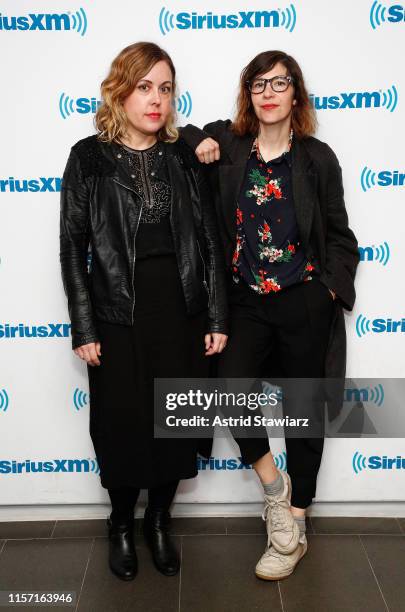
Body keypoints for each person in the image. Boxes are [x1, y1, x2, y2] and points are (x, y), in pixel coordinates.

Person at [180, 50, 359, 580]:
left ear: (296, 93)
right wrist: (199, 141)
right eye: (259, 84)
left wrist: (327, 291)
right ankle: (275, 492)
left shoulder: (317, 160)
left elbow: (342, 239)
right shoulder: (233, 146)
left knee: (305, 413)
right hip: (246, 303)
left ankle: (295, 524)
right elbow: (183, 131)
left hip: (303, 300)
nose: (269, 92)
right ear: (248, 94)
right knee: (232, 394)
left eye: (280, 82)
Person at [59, 42, 228, 582]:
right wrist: (83, 324)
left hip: (181, 312)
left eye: (165, 88)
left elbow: (207, 240)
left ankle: (159, 520)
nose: (156, 100)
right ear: (121, 90)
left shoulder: (182, 154)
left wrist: (218, 316)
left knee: (176, 422)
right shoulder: (88, 156)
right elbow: (73, 247)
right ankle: (120, 524)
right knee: (123, 424)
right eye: (144, 87)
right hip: (116, 313)